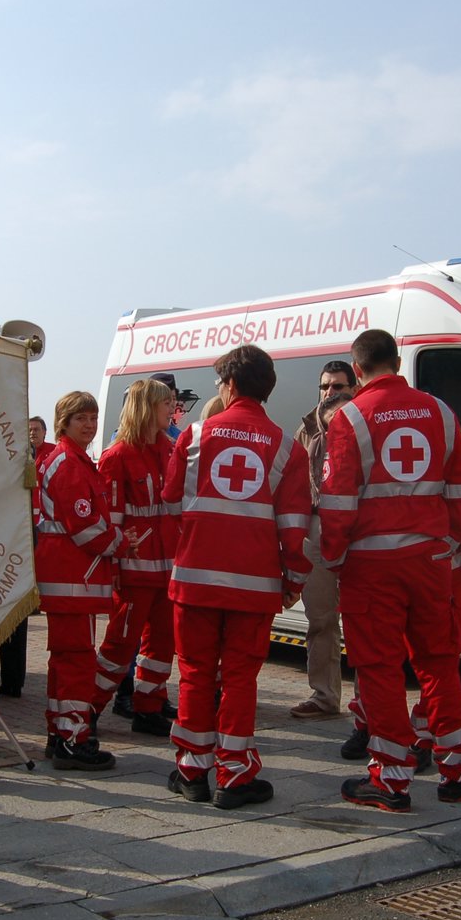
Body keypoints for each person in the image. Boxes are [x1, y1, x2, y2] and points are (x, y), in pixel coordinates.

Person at [321, 329, 461, 812]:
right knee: (438, 662)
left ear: (357, 371)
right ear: (396, 362)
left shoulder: (350, 417)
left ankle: (392, 778)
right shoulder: (441, 413)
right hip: (432, 562)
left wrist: (334, 557)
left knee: (378, 668)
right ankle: (460, 771)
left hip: (372, 566)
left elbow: (338, 502)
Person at [163, 345, 311, 809]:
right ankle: (235, 776)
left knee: (195, 674)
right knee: (241, 678)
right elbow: (295, 528)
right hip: (255, 585)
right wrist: (294, 582)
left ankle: (192, 771)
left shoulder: (194, 436)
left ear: (229, 386)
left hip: (195, 580)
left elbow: (170, 504)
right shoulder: (287, 446)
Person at [35, 391, 131, 771]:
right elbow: (86, 529)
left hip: (68, 577)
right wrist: (122, 543)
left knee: (64, 661)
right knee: (76, 662)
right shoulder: (70, 464)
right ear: (65, 422)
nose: (90, 425)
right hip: (73, 577)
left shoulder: (67, 459)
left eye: (93, 418)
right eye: (82, 419)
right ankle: (74, 740)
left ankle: (59, 733)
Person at [93, 379, 181, 736]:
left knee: (162, 643)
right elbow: (110, 517)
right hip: (132, 568)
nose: (172, 410)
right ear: (147, 407)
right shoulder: (116, 456)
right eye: (166, 404)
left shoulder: (171, 449)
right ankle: (87, 711)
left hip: (167, 570)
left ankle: (148, 707)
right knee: (120, 643)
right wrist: (114, 565)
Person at [289, 360, 358, 720]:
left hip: (358, 530)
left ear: (354, 388)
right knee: (320, 618)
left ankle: (367, 700)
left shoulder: (362, 426)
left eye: (339, 386)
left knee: (364, 619)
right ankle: (324, 695)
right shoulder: (305, 430)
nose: (330, 393)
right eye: (325, 387)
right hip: (316, 527)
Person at [0, 416, 51, 698]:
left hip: (5, 538)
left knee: (4, 615)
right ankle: (11, 681)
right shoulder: (22, 453)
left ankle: (9, 681)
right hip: (17, 538)